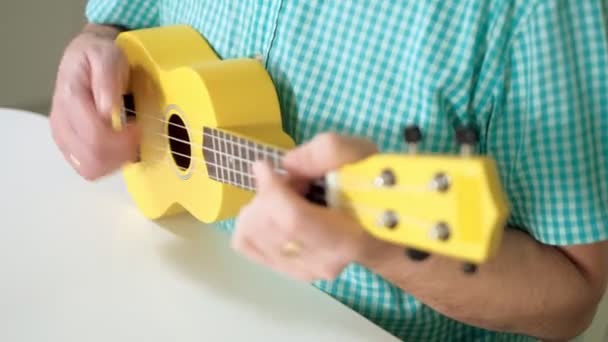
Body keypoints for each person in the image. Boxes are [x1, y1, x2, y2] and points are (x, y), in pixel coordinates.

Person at [49, 1, 608, 341]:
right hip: (168, 286)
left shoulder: (540, 8)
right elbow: (118, 21)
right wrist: (91, 49)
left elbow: (571, 295)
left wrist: (381, 246)